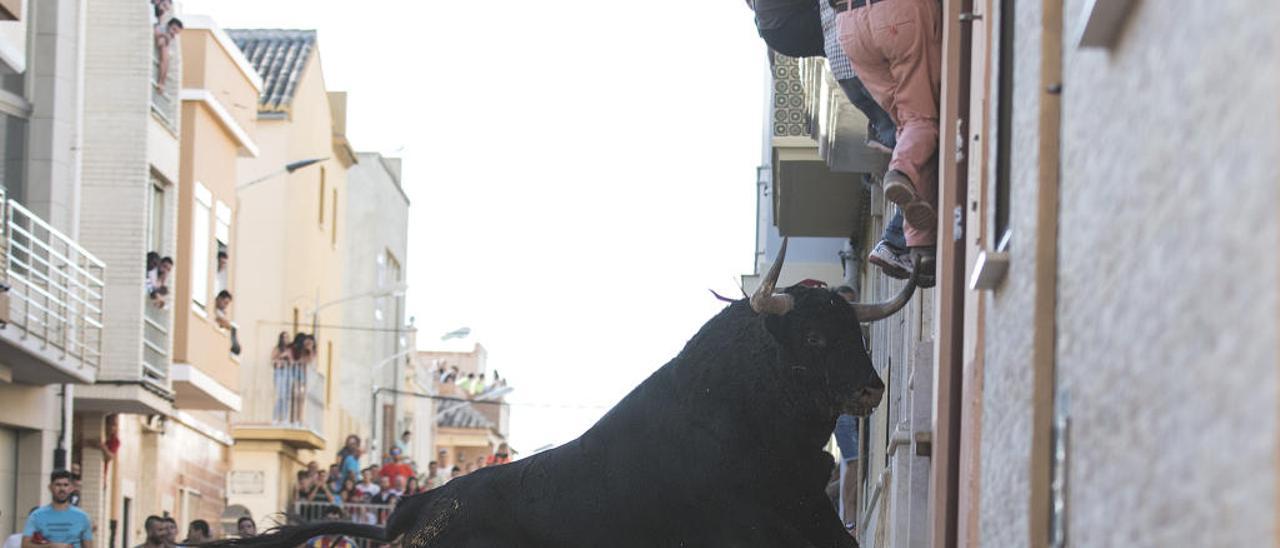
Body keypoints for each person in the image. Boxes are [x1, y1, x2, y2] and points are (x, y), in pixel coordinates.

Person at [837, 0, 941, 273]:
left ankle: (920, 247)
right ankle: (901, 171)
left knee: (908, 128)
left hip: (849, 27)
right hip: (898, 13)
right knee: (920, 120)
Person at [23, 470, 93, 548]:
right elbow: (25, 545)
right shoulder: (36, 515)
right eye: (58, 485)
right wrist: (49, 546)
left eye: (65, 485)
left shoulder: (82, 517)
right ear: (50, 487)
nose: (62, 489)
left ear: (71, 488)